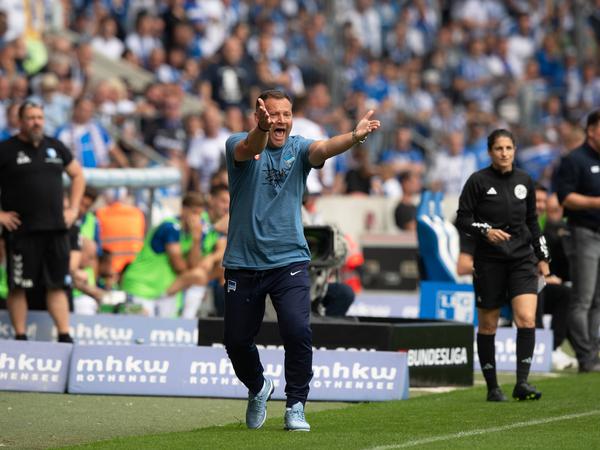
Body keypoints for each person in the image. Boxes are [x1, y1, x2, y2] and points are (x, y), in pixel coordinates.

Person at [223, 89, 380, 431]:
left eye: (286, 114)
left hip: (289, 260)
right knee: (236, 341)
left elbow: (323, 148)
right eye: (273, 114)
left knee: (297, 331)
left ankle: (296, 404)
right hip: (243, 262)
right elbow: (250, 148)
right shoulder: (239, 143)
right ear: (259, 116)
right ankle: (258, 386)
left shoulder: (298, 147)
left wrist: (353, 138)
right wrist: (261, 131)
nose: (280, 120)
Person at [456, 128, 550, 402]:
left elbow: (532, 222)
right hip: (489, 261)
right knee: (488, 326)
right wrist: (486, 230)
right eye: (499, 149)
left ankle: (522, 382)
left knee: (527, 318)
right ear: (490, 152)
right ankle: (492, 387)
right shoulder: (478, 181)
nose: (504, 153)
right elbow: (462, 219)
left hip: (522, 258)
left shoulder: (525, 180)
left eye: (509, 148)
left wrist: (543, 257)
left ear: (514, 151)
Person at [0, 101, 85, 342]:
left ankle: (64, 335)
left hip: (56, 229)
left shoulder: (55, 147)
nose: (36, 122)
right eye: (31, 118)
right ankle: (20, 335)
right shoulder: (6, 150)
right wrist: (1, 215)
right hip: (22, 231)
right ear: (20, 121)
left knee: (57, 285)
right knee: (18, 286)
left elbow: (78, 175)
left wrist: (75, 209)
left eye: (39, 117)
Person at [120, 192, 217, 318]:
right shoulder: (170, 227)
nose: (196, 219)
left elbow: (193, 266)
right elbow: (180, 267)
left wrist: (196, 240)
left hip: (162, 290)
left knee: (198, 275)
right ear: (183, 210)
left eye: (199, 214)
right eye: (194, 212)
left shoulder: (194, 233)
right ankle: (188, 319)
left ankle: (189, 321)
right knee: (142, 332)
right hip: (141, 287)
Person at [554, 109, 600, 373]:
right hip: (583, 233)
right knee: (582, 297)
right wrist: (596, 202)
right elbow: (565, 197)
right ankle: (585, 355)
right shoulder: (575, 160)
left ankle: (593, 351)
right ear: (592, 130)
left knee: (598, 300)